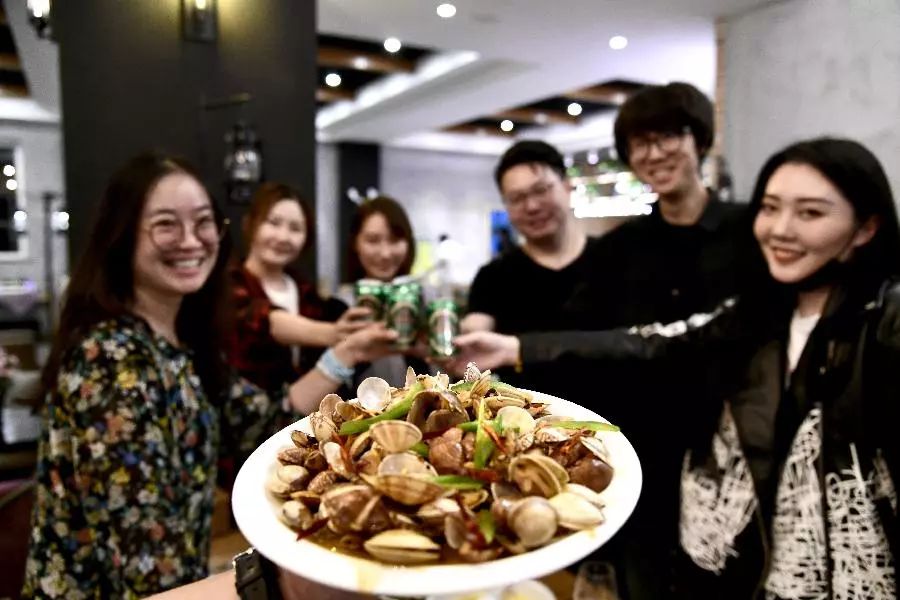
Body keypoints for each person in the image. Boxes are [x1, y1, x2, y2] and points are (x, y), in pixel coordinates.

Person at [454, 137, 900, 598]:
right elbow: (650, 342)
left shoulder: (886, 324)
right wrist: (515, 347)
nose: (781, 229)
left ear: (865, 228)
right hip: (735, 566)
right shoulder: (757, 313)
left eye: (810, 213)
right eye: (770, 208)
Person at [21, 154, 391, 598]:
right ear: (121, 234)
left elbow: (264, 416)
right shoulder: (110, 361)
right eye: (165, 225)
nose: (191, 240)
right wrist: (277, 584)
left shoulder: (185, 342)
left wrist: (347, 353)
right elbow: (143, 558)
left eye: (203, 222)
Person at [455, 83, 759, 600]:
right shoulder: (623, 249)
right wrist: (502, 351)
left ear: (700, 139)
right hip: (642, 437)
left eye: (667, 137)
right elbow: (601, 339)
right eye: (640, 143)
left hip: (736, 438)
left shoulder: (751, 229)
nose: (654, 153)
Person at [460, 140, 600, 395]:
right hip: (525, 415)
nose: (532, 206)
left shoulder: (614, 258)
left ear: (567, 187)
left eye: (541, 190)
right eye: (517, 198)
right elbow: (475, 330)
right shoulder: (494, 277)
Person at [226, 182, 375, 399]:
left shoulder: (306, 292)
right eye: (273, 223)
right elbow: (265, 319)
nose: (283, 236)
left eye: (295, 228)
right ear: (250, 224)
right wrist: (333, 333)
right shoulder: (230, 283)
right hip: (247, 411)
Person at [339, 195, 427, 387]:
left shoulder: (424, 298)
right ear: (355, 243)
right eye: (373, 240)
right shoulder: (338, 307)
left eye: (395, 240)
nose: (385, 253)